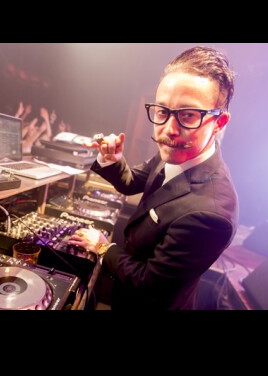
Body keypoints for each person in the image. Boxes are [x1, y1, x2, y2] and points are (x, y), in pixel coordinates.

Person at [67, 46, 239, 310]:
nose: (169, 130)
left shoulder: (211, 215)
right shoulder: (178, 150)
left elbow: (149, 285)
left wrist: (103, 248)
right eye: (162, 111)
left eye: (188, 115)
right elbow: (132, 182)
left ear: (219, 123)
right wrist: (112, 160)